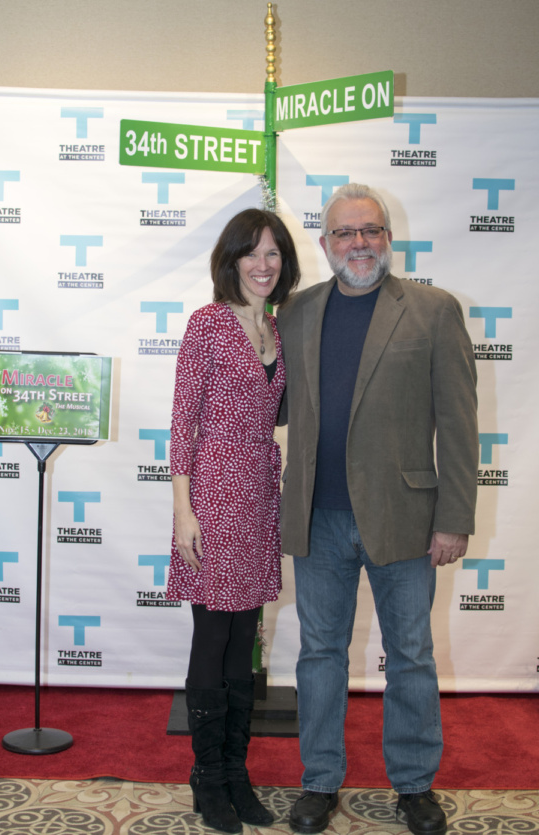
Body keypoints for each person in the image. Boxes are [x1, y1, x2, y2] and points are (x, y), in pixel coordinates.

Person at [276, 183, 478, 835]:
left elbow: (459, 421)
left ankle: (415, 785)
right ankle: (319, 781)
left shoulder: (433, 310)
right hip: (319, 516)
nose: (358, 243)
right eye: (344, 233)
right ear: (325, 242)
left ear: (388, 238)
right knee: (319, 654)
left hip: (406, 518)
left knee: (412, 654)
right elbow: (271, 404)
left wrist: (454, 516)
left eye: (370, 230)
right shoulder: (297, 312)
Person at [167, 208, 300, 833]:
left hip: (259, 493)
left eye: (274, 253)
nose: (264, 264)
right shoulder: (207, 324)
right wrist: (182, 507)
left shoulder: (280, 328)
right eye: (252, 252)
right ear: (232, 259)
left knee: (245, 642)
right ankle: (207, 778)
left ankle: (236, 772)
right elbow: (183, 419)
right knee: (212, 639)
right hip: (213, 495)